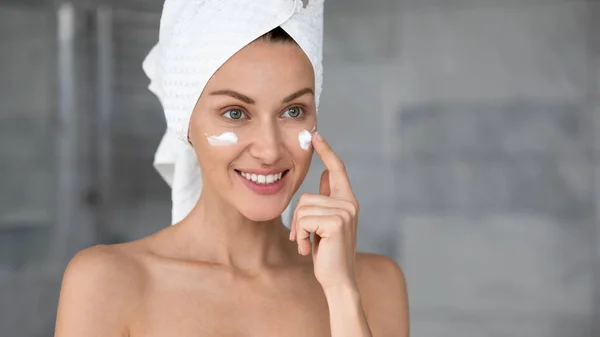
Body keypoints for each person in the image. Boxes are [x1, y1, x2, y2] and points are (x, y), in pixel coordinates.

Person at [54, 1, 409, 336]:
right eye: (235, 113)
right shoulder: (107, 283)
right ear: (185, 123)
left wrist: (342, 292)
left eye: (293, 111)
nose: (269, 151)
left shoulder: (373, 283)